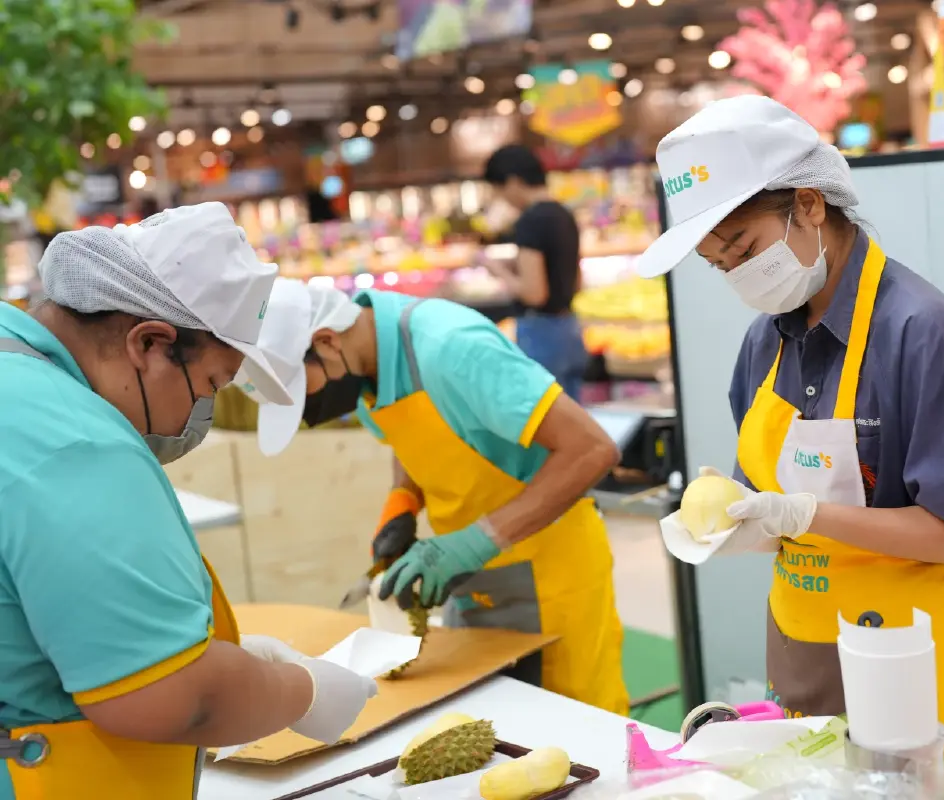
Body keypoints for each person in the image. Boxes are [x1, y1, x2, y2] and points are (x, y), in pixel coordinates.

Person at [638, 96, 944, 796]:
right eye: (719, 265)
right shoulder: (765, 341)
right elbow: (772, 504)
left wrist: (803, 515)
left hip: (921, 673)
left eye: (745, 248)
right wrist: (744, 522)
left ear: (809, 206)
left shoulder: (924, 334)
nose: (739, 276)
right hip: (806, 656)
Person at [0, 203, 377, 800]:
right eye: (208, 386)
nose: (199, 418)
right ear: (150, 343)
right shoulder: (77, 442)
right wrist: (302, 691)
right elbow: (169, 698)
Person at [235, 278, 629, 716]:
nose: (309, 412)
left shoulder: (452, 348)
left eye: (300, 393)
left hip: (552, 577)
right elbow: (413, 435)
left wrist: (475, 541)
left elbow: (594, 449)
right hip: (468, 582)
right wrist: (402, 501)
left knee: (579, 735)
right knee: (496, 731)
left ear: (326, 341)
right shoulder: (363, 364)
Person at [482, 144, 590, 401]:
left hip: (542, 335)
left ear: (513, 182)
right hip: (570, 330)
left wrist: (498, 270)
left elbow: (534, 294)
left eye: (499, 190)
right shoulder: (564, 214)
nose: (502, 199)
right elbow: (576, 281)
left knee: (545, 424)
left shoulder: (530, 220)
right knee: (574, 420)